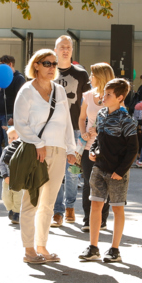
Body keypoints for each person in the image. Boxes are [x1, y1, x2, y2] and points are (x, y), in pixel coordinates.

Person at [13, 49, 77, 264]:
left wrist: (70, 149)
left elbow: (67, 122)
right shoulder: (26, 91)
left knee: (48, 203)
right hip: (35, 150)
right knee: (32, 200)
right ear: (36, 65)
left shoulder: (59, 91)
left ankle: (42, 245)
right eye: (47, 63)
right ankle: (29, 249)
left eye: (54, 64)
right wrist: (39, 143)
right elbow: (20, 123)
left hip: (58, 150)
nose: (52, 67)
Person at [79, 78, 138, 264]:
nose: (103, 97)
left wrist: (120, 171)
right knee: (95, 205)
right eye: (104, 93)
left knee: (117, 208)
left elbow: (133, 149)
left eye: (108, 94)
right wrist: (94, 150)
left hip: (117, 172)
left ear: (120, 97)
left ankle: (114, 249)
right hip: (99, 167)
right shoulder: (102, 113)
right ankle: (93, 247)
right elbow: (99, 137)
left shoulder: (126, 120)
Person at [52, 35, 90, 226]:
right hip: (54, 130)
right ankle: (57, 210)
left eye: (68, 47)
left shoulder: (81, 74)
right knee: (56, 171)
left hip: (75, 129)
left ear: (71, 50)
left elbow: (89, 100)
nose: (65, 50)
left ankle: (70, 207)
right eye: (61, 47)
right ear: (55, 49)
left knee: (73, 170)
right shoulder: (49, 71)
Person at [78, 63, 113, 231]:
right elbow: (81, 117)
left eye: (92, 75)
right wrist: (84, 132)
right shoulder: (87, 96)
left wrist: (100, 128)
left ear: (100, 76)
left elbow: (119, 120)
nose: (90, 78)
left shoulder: (114, 96)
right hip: (89, 147)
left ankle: (102, 220)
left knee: (105, 183)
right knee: (88, 183)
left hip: (109, 147)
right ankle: (88, 220)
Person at [0, 55, 26, 177]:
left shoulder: (18, 79)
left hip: (9, 115)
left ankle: (9, 168)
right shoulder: (1, 75)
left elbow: (20, 99)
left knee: (9, 142)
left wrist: (14, 116)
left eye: (3, 63)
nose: (0, 66)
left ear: (10, 64)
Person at [0, 127, 23, 224]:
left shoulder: (22, 151)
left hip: (18, 179)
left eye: (14, 138)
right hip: (7, 179)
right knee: (6, 197)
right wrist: (5, 176)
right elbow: (1, 163)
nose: (11, 140)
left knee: (18, 196)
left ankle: (17, 212)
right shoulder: (6, 149)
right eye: (9, 138)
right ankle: (10, 209)